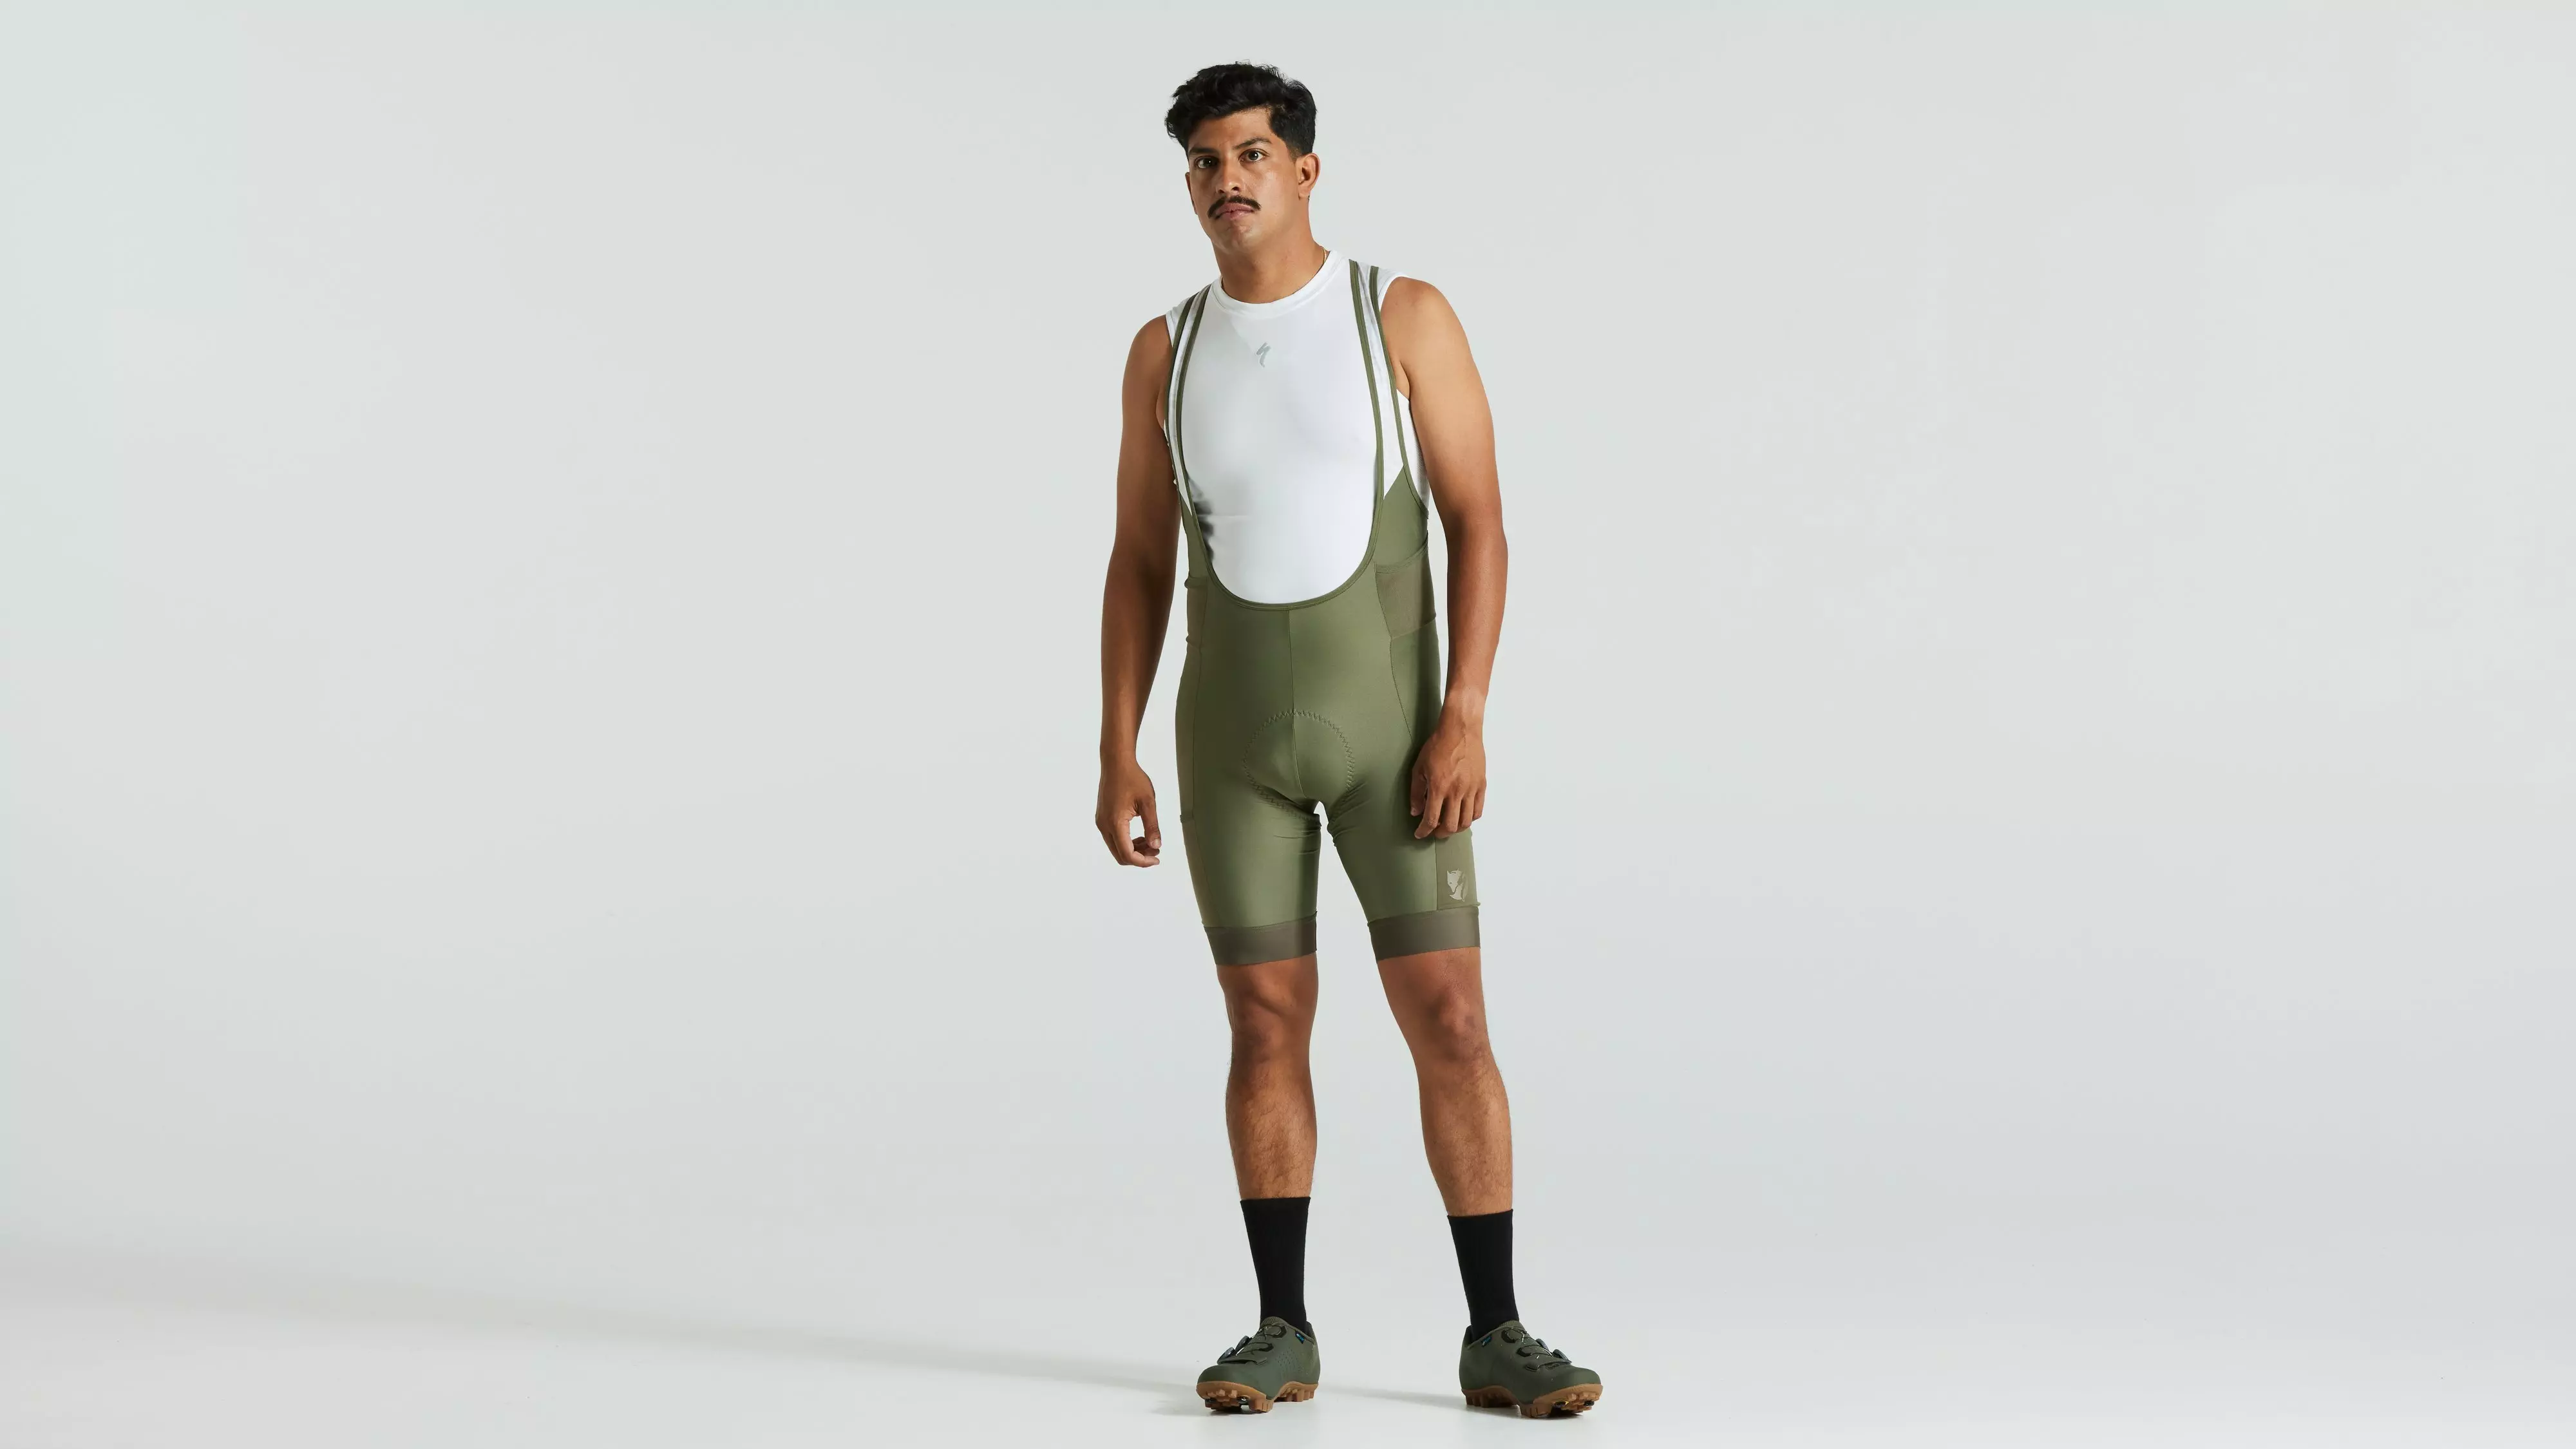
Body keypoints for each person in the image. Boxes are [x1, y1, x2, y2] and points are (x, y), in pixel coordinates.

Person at [1093, 62, 1604, 1419]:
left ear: (1304, 170)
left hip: (1397, 745)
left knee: (1451, 1016)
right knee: (1263, 1021)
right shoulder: (1164, 349)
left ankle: (1496, 1331)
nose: (1229, 180)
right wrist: (1115, 744)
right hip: (1229, 748)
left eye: (1252, 155)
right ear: (1188, 184)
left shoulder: (1398, 315)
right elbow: (1138, 560)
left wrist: (1465, 712)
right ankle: (1281, 1328)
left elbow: (1479, 520)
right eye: (1206, 162)